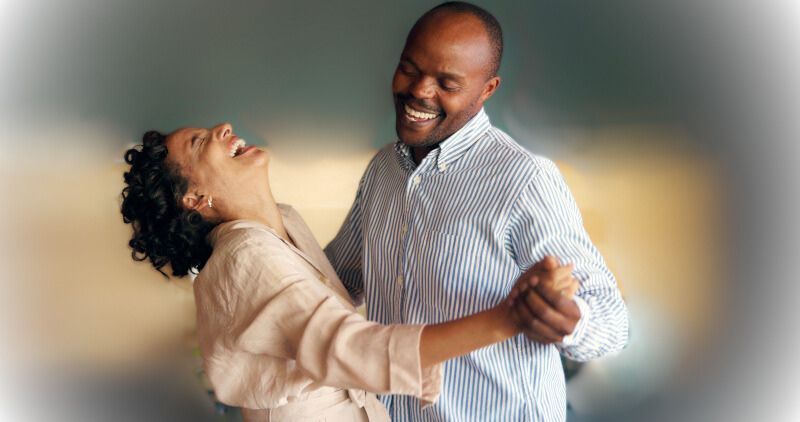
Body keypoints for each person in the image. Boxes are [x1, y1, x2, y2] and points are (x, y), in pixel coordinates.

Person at [119, 124, 579, 422]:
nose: (223, 128)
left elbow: (331, 296)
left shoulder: (283, 224)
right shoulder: (242, 258)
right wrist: (510, 318)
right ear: (196, 199)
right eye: (200, 143)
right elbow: (349, 346)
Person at [324, 2, 630, 421]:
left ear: (487, 90)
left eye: (447, 83)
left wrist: (570, 320)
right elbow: (334, 283)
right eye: (410, 69)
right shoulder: (383, 170)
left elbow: (613, 323)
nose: (419, 91)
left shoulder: (523, 179)